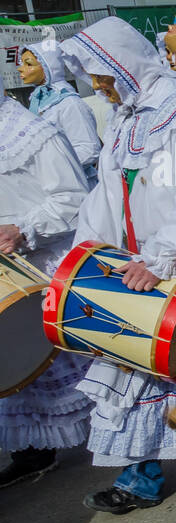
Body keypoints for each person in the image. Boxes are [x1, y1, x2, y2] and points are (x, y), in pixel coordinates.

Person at [58, 17, 176, 514]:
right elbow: (107, 193)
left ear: (123, 63)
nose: (98, 86)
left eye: (101, 74)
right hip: (135, 266)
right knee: (135, 369)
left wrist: (164, 257)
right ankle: (140, 476)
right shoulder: (125, 117)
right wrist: (89, 255)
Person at [0, 94, 94, 488]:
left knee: (78, 363)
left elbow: (74, 199)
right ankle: (32, 451)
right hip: (11, 272)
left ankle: (126, 454)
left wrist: (22, 229)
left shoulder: (34, 134)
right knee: (15, 367)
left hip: (48, 265)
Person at [16, 39, 101, 185]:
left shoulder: (70, 103)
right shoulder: (38, 101)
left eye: (28, 64)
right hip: (52, 186)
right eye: (22, 63)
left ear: (48, 67)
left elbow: (89, 149)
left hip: (78, 186)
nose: (20, 69)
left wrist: (51, 169)